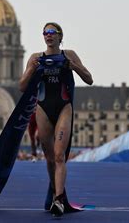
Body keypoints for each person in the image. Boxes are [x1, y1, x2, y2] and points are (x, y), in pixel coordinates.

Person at [19, 22, 93, 216]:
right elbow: (22, 86)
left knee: (60, 156)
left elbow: (89, 78)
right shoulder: (36, 58)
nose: (48, 35)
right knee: (50, 159)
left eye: (52, 32)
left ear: (60, 36)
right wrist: (30, 70)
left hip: (63, 108)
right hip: (43, 109)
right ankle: (55, 194)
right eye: (45, 32)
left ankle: (59, 200)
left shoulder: (69, 55)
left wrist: (74, 66)